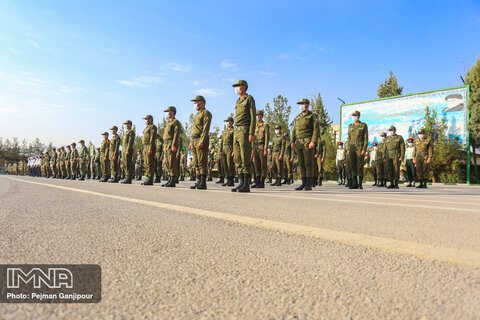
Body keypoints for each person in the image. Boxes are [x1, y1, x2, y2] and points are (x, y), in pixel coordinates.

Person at [231, 80, 256, 193]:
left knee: (245, 157)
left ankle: (246, 184)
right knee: (237, 157)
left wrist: (251, 133)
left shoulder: (249, 99)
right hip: (236, 131)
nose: (236, 88)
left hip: (245, 131)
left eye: (238, 86)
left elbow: (252, 117)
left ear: (244, 87)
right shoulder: (237, 101)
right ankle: (241, 182)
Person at [291, 98, 319, 191]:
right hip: (298, 142)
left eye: (302, 104)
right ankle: (303, 183)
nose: (301, 106)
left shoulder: (312, 116)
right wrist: (292, 141)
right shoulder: (297, 117)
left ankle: (309, 183)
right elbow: (294, 130)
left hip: (307, 142)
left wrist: (313, 141)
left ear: (307, 105)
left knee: (308, 163)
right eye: (300, 104)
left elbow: (316, 129)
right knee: (301, 163)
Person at [189, 95, 212, 190]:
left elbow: (205, 129)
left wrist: (202, 141)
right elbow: (194, 129)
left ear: (202, 103)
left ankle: (203, 182)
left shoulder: (206, 113)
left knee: (202, 161)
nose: (194, 104)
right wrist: (191, 142)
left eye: (196, 102)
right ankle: (198, 181)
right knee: (196, 161)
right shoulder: (196, 114)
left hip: (200, 139)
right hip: (193, 140)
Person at [347, 110, 368, 189]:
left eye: (355, 116)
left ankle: (360, 184)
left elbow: (366, 138)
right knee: (352, 165)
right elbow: (349, 138)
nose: (354, 117)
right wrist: (348, 148)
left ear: (358, 116)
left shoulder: (363, 125)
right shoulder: (350, 126)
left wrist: (364, 149)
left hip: (359, 147)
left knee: (359, 165)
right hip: (352, 147)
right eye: (353, 116)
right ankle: (354, 183)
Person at [162, 107, 181, 187]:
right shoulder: (168, 122)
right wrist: (164, 145)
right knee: (167, 162)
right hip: (166, 143)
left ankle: (173, 180)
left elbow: (176, 134)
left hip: (170, 143)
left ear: (172, 112)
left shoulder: (175, 122)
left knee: (171, 161)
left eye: (168, 111)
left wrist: (173, 144)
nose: (167, 113)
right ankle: (169, 179)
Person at [251, 110, 269, 189]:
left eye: (259, 115)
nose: (257, 116)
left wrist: (265, 148)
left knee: (263, 165)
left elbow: (267, 138)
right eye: (256, 115)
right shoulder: (254, 126)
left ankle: (262, 181)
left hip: (262, 146)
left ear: (262, 116)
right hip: (255, 147)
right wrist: (252, 149)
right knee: (256, 165)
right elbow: (253, 138)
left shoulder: (265, 125)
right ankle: (257, 181)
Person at [141, 115, 157, 185]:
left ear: (150, 119)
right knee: (146, 163)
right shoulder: (147, 128)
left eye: (147, 119)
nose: (145, 120)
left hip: (149, 146)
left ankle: (150, 178)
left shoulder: (153, 127)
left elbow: (152, 138)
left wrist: (150, 148)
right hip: (145, 146)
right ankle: (147, 176)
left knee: (150, 162)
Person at [221, 117, 235, 186]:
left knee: (230, 165)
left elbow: (235, 142)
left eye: (229, 121)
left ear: (232, 122)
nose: (227, 123)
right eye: (226, 121)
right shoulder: (224, 131)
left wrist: (234, 151)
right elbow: (222, 142)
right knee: (225, 165)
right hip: (224, 149)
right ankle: (227, 179)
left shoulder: (234, 131)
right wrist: (220, 151)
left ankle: (231, 180)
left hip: (230, 149)